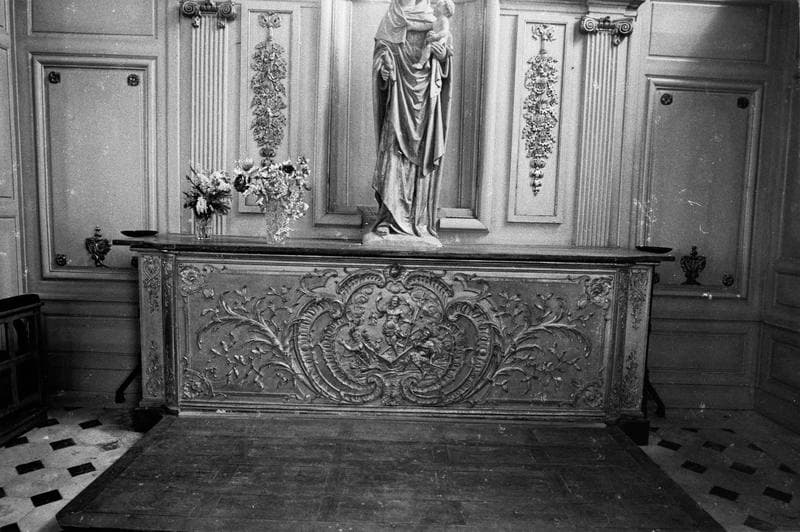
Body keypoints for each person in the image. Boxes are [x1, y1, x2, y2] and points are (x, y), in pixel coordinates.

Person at [367, 0, 453, 247]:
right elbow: (381, 52)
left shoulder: (434, 16)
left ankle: (418, 221)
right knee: (393, 151)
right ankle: (388, 218)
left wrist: (442, 56)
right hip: (398, 94)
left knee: (421, 155)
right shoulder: (393, 15)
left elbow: (446, 56)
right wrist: (384, 68)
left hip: (425, 96)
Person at [412, 0, 454, 70]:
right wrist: (412, 26)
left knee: (428, 47)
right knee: (426, 46)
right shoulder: (435, 21)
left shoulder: (444, 20)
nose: (434, 7)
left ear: (445, 11)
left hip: (440, 44)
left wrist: (436, 36)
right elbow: (424, 26)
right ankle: (427, 62)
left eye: (438, 6)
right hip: (435, 42)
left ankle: (421, 64)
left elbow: (445, 31)